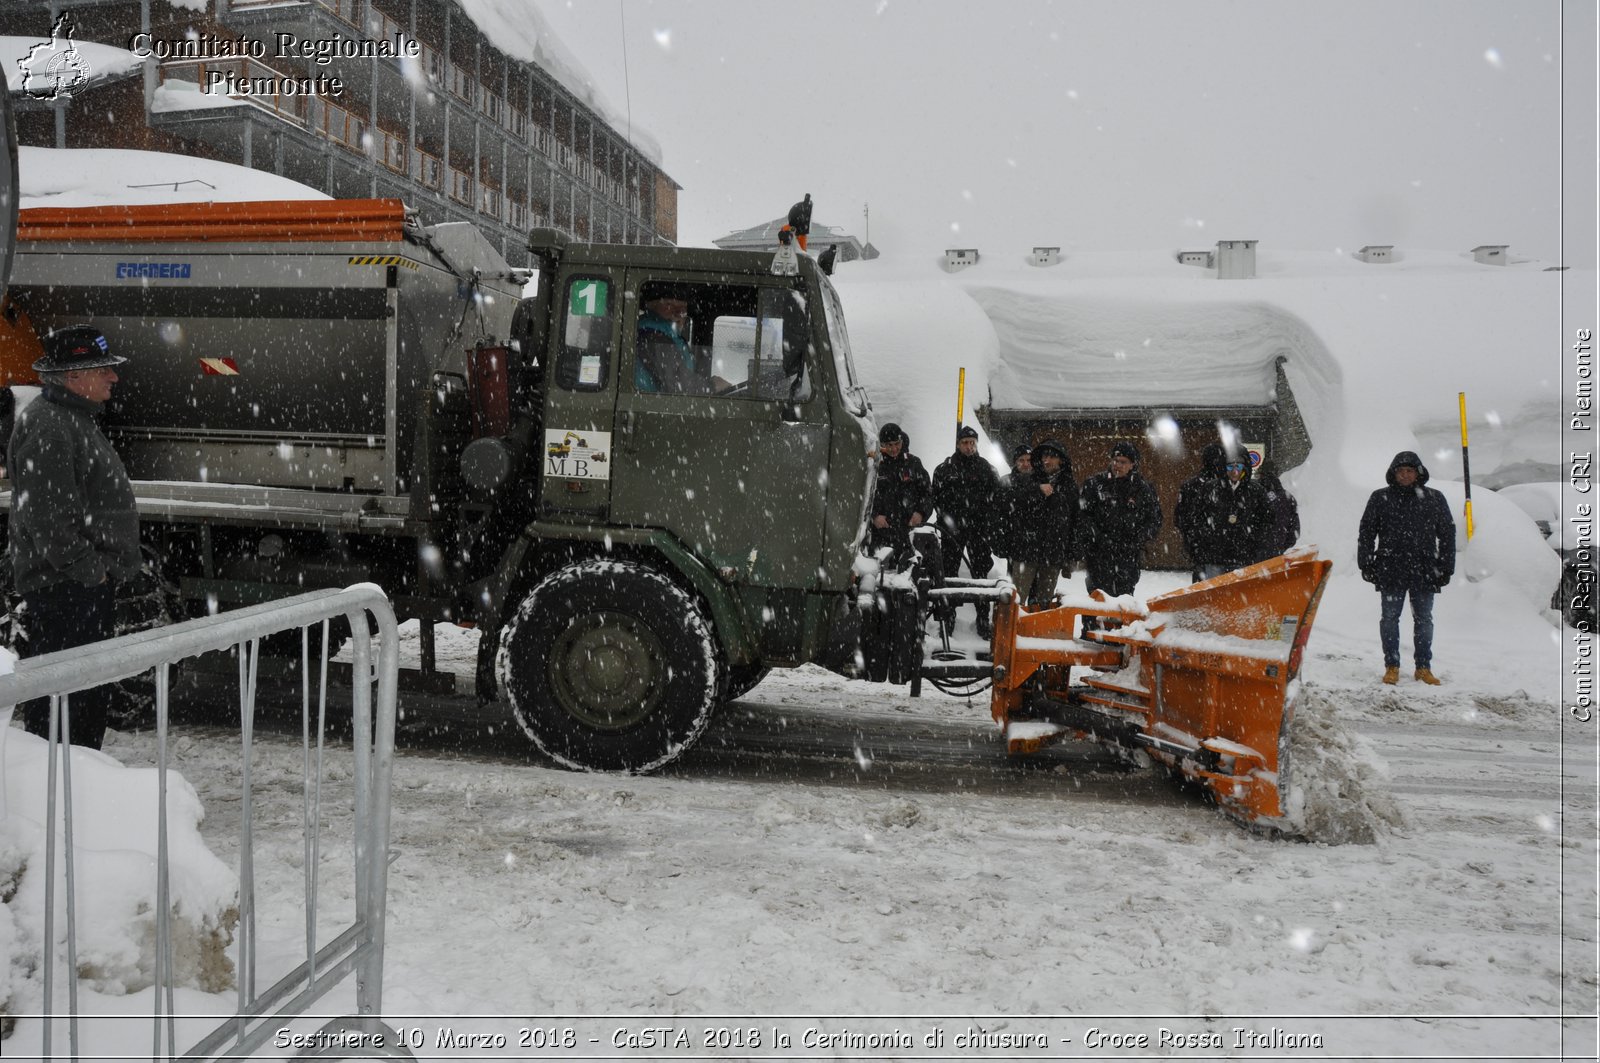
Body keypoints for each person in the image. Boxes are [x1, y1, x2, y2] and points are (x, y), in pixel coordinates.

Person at [8, 325, 142, 749]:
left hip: (75, 591)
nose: (113, 377)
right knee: (67, 712)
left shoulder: (71, 419)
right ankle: (60, 796)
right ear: (72, 377)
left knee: (81, 704)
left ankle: (73, 794)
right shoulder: (52, 426)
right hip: (67, 593)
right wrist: (92, 573)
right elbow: (50, 522)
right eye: (103, 369)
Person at [1357, 451, 1455, 685]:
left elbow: (1448, 534)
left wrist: (1446, 567)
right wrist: (1366, 562)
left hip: (1424, 568)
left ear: (1418, 473)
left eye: (1409, 471)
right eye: (1400, 471)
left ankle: (1423, 667)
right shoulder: (1380, 498)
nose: (1405, 475)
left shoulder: (1434, 498)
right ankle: (1392, 666)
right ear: (1394, 473)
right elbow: (1367, 532)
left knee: (1424, 619)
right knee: (1389, 618)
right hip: (1391, 568)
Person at [1075, 442, 1162, 623]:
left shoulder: (1142, 489)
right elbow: (1083, 515)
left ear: (1133, 465)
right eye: (1115, 460)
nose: (1118, 465)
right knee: (1097, 596)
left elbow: (1154, 520)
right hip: (1099, 553)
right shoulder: (1095, 484)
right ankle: (1091, 631)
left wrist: (1138, 538)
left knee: (1124, 598)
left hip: (1128, 554)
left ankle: (1119, 635)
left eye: (1123, 462)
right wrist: (1096, 536)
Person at [1009, 439, 1076, 609]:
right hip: (1026, 551)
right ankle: (1010, 632)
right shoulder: (1029, 479)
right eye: (1045, 456)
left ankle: (1036, 634)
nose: (1047, 460)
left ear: (1061, 460)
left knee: (1044, 604)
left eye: (1052, 457)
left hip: (1052, 554)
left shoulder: (1069, 486)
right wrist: (1037, 491)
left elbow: (1075, 521)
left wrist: (1071, 555)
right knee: (1016, 600)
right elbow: (1014, 501)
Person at [1189, 451, 1274, 580]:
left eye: (1238, 467)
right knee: (1215, 595)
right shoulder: (1210, 489)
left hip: (1244, 556)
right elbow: (1196, 518)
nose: (1234, 471)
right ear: (1224, 468)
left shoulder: (1256, 491)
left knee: (1240, 596)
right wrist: (1206, 538)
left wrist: (1254, 540)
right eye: (1230, 467)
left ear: (1244, 468)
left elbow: (1267, 520)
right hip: (1215, 556)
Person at [933, 426, 999, 582]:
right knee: (949, 571)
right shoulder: (945, 469)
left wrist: (988, 521)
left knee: (981, 571)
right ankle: (949, 604)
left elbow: (996, 498)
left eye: (972, 442)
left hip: (979, 529)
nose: (969, 447)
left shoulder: (986, 468)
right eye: (965, 443)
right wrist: (946, 518)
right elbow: (935, 497)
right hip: (952, 530)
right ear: (958, 444)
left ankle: (981, 604)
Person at [635, 288, 729, 395]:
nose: (679, 313)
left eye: (683, 308)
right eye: (669, 305)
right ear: (651, 306)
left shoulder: (666, 335)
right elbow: (677, 382)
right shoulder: (652, 335)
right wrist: (711, 386)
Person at [869, 422, 932, 560]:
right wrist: (874, 517)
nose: (893, 449)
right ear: (882, 445)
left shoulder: (913, 463)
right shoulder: (874, 465)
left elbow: (927, 493)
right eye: (889, 445)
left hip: (909, 531)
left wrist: (921, 513)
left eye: (897, 444)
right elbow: (864, 497)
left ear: (902, 441)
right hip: (880, 533)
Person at [1175, 442, 1226, 581]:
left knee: (1202, 595)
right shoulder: (1227, 486)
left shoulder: (1191, 486)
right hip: (1223, 553)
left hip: (1201, 551)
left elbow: (1180, 518)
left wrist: (1192, 540)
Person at [1254, 464, 1301, 558]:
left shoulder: (1254, 496)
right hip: (1277, 554)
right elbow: (1295, 531)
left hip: (1254, 556)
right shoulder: (1289, 498)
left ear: (1262, 475)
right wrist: (1281, 546)